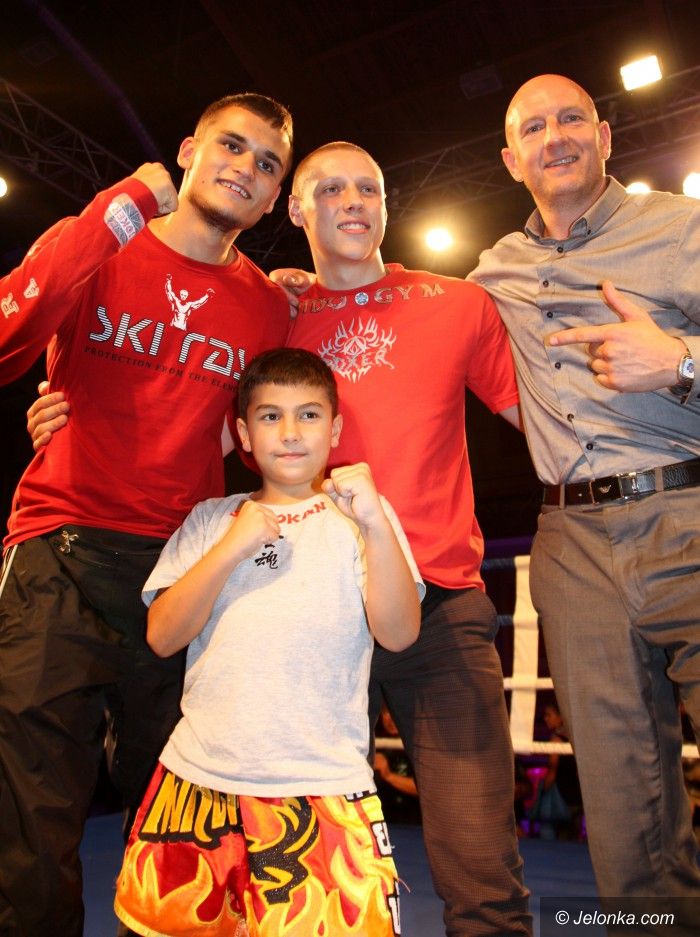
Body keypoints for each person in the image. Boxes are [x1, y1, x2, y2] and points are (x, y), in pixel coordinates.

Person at [27, 143, 533, 936]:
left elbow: (539, 422)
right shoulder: (275, 313)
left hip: (433, 603)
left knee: (482, 867)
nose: (353, 201)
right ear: (296, 210)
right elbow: (192, 416)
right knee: (273, 841)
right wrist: (71, 416)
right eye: (329, 189)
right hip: (305, 607)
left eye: (368, 187)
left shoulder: (457, 302)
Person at [0, 92, 293, 936]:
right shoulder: (99, 241)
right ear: (189, 150)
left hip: (180, 572)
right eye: (230, 146)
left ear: (274, 198)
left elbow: (264, 438)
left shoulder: (268, 306)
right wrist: (119, 204)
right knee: (32, 810)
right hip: (59, 546)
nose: (244, 167)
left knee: (175, 816)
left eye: (266, 163)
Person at [469, 74, 700, 914]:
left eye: (572, 118)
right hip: (572, 545)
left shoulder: (679, 225)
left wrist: (679, 359)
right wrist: (311, 287)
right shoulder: (494, 270)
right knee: (624, 801)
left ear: (605, 137)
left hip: (688, 511)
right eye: (533, 127)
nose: (555, 136)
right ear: (511, 159)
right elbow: (408, 312)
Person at [113, 347, 423, 937]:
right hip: (197, 780)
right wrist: (231, 546)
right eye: (270, 416)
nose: (290, 432)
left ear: (335, 429)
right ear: (243, 434)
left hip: (322, 784)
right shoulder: (210, 519)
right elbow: (162, 636)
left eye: (308, 415)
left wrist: (376, 524)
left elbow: (400, 632)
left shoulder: (362, 517)